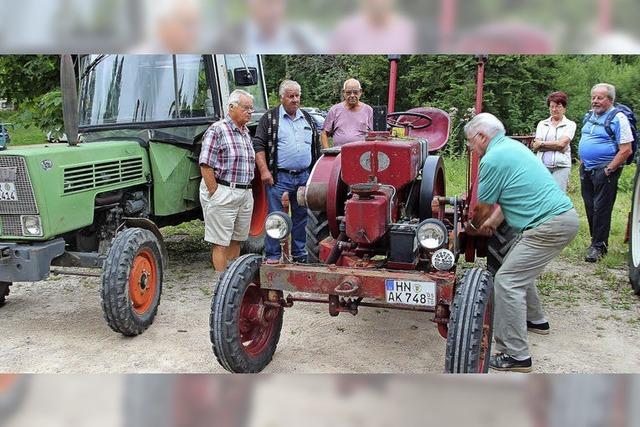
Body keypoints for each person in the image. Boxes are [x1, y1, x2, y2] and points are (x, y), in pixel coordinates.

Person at [465, 113, 579, 373]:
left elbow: (481, 208)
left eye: (472, 142)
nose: (472, 148)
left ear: (482, 136)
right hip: (560, 220)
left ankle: (516, 356)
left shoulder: (492, 159)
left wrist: (472, 228)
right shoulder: (513, 148)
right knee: (515, 267)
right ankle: (536, 320)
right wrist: (493, 223)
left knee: (507, 280)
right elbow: (509, 196)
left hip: (548, 225)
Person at [253, 80, 321, 262]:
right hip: (279, 177)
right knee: (276, 218)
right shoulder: (269, 118)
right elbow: (258, 145)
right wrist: (264, 171)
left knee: (301, 218)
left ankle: (299, 255)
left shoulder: (307, 118)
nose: (295, 99)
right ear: (281, 97)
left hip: (304, 177)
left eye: (297, 95)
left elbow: (316, 147)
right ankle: (274, 256)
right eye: (291, 96)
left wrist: (315, 174)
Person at [199, 89, 256, 271]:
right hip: (224, 190)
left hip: (245, 193)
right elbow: (205, 164)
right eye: (246, 108)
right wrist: (215, 192)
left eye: (251, 109)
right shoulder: (217, 130)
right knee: (220, 242)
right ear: (232, 107)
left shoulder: (245, 132)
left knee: (237, 239)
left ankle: (231, 283)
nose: (250, 112)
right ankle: (220, 286)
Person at [578, 83, 633, 262]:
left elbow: (626, 150)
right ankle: (596, 242)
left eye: (599, 98)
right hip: (586, 169)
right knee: (589, 206)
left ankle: (598, 247)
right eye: (593, 97)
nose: (595, 101)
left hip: (605, 170)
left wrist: (609, 169)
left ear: (610, 100)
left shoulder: (618, 118)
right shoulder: (589, 116)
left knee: (601, 209)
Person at [531, 91, 576, 192]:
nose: (554, 109)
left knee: (557, 196)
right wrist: (555, 145)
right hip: (542, 166)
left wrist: (542, 144)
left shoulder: (570, 124)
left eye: (558, 106)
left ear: (564, 108)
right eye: (552, 106)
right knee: (541, 194)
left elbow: (562, 145)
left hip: (561, 167)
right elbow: (535, 146)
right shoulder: (542, 124)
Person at [321, 78, 373, 149]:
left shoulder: (368, 110)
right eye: (348, 92)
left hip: (362, 156)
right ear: (343, 92)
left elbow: (375, 135)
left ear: (360, 92)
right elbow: (324, 134)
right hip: (339, 154)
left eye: (355, 92)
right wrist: (327, 153)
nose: (352, 95)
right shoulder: (335, 110)